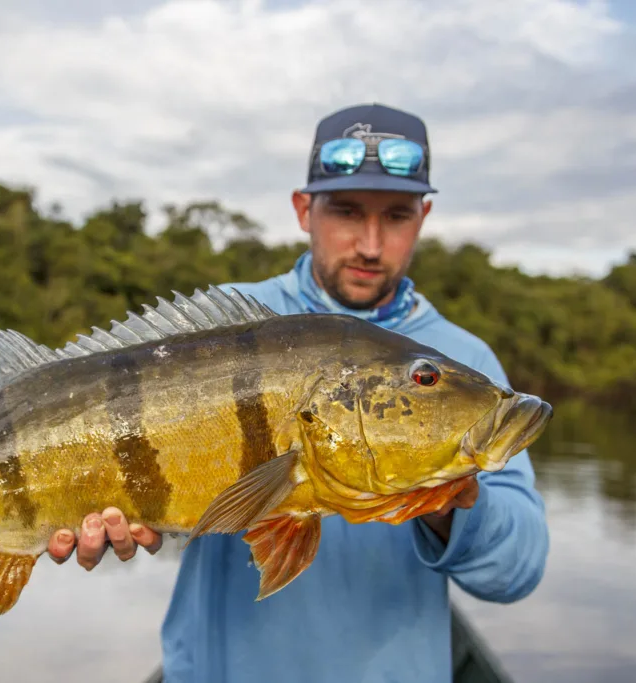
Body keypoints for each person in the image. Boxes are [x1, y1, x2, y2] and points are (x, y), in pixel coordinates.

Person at [46, 103, 550, 683]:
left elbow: (515, 571)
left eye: (396, 216)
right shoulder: (227, 323)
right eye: (346, 211)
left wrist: (447, 505)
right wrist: (107, 506)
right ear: (303, 209)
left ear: (423, 217)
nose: (370, 243)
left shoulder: (467, 361)